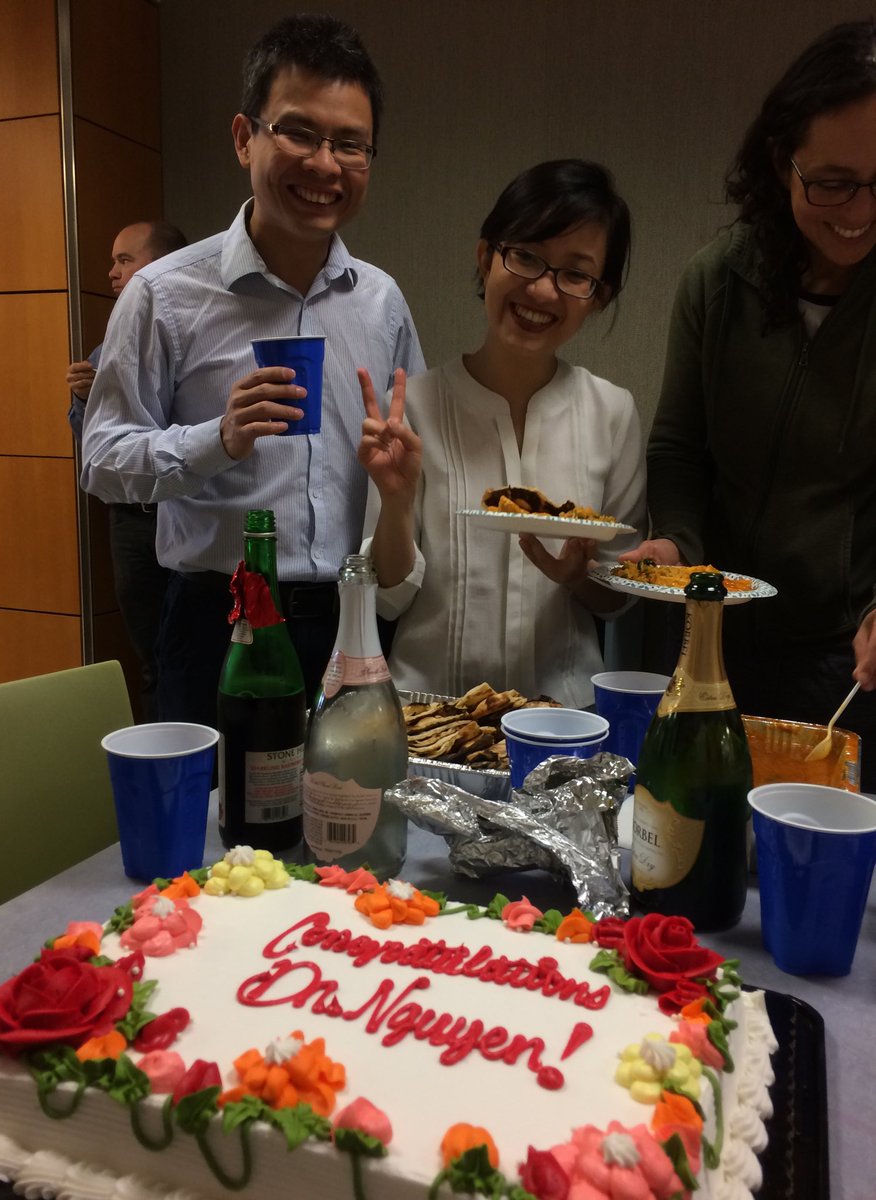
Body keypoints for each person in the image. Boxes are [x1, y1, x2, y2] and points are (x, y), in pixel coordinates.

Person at [80, 14, 425, 724]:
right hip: (217, 619)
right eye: (299, 133)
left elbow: (407, 469)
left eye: (350, 144)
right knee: (214, 833)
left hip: (348, 622)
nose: (326, 164)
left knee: (347, 827)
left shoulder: (383, 302)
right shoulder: (164, 294)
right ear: (246, 138)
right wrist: (218, 438)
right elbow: (102, 459)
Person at [622, 20, 876, 791]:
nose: (858, 210)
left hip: (845, 656)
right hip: (708, 636)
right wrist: (676, 543)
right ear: (780, 163)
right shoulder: (718, 280)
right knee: (688, 841)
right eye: (831, 182)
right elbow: (677, 446)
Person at [357, 159, 646, 708]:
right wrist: (395, 503)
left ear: (599, 295)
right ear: (487, 257)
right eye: (526, 257)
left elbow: (617, 601)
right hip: (427, 720)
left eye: (575, 274)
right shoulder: (415, 405)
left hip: (563, 720)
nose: (543, 290)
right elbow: (387, 600)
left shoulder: (613, 413)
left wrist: (577, 577)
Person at [66, 220, 188, 721]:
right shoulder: (110, 343)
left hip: (186, 513)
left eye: (124, 260)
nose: (111, 272)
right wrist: (85, 399)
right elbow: (92, 446)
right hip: (131, 522)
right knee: (152, 661)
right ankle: (163, 775)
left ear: (160, 265)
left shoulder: (194, 328)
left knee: (197, 653)